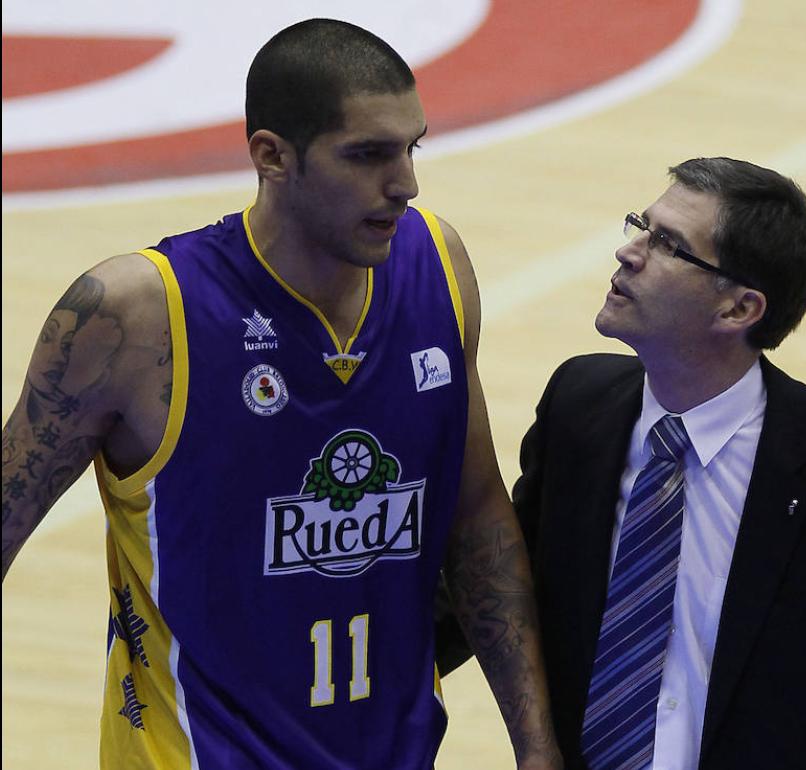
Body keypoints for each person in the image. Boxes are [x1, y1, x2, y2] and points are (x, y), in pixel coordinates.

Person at [1, 18, 560, 770]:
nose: (405, 184)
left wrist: (536, 747)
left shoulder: (439, 265)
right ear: (271, 156)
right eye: (367, 155)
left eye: (411, 148)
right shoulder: (136, 317)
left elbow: (478, 519)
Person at [441, 157, 806, 768]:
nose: (629, 253)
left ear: (739, 310)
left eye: (668, 245)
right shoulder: (578, 408)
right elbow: (500, 582)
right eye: (640, 226)